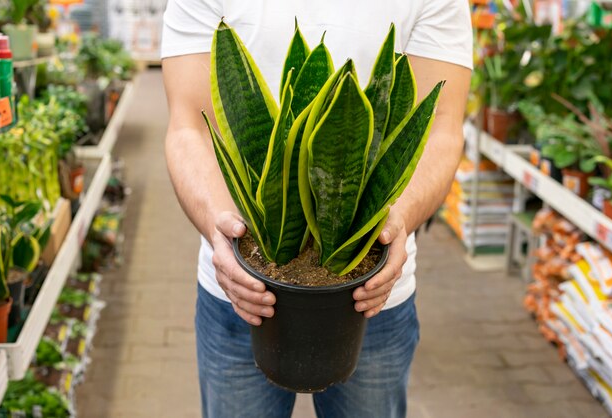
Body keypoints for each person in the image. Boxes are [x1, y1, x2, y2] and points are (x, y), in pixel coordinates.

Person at [161, 1, 472, 417]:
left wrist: (396, 220)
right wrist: (221, 232)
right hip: (238, 288)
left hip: (373, 296)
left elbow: (441, 129)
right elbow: (187, 127)